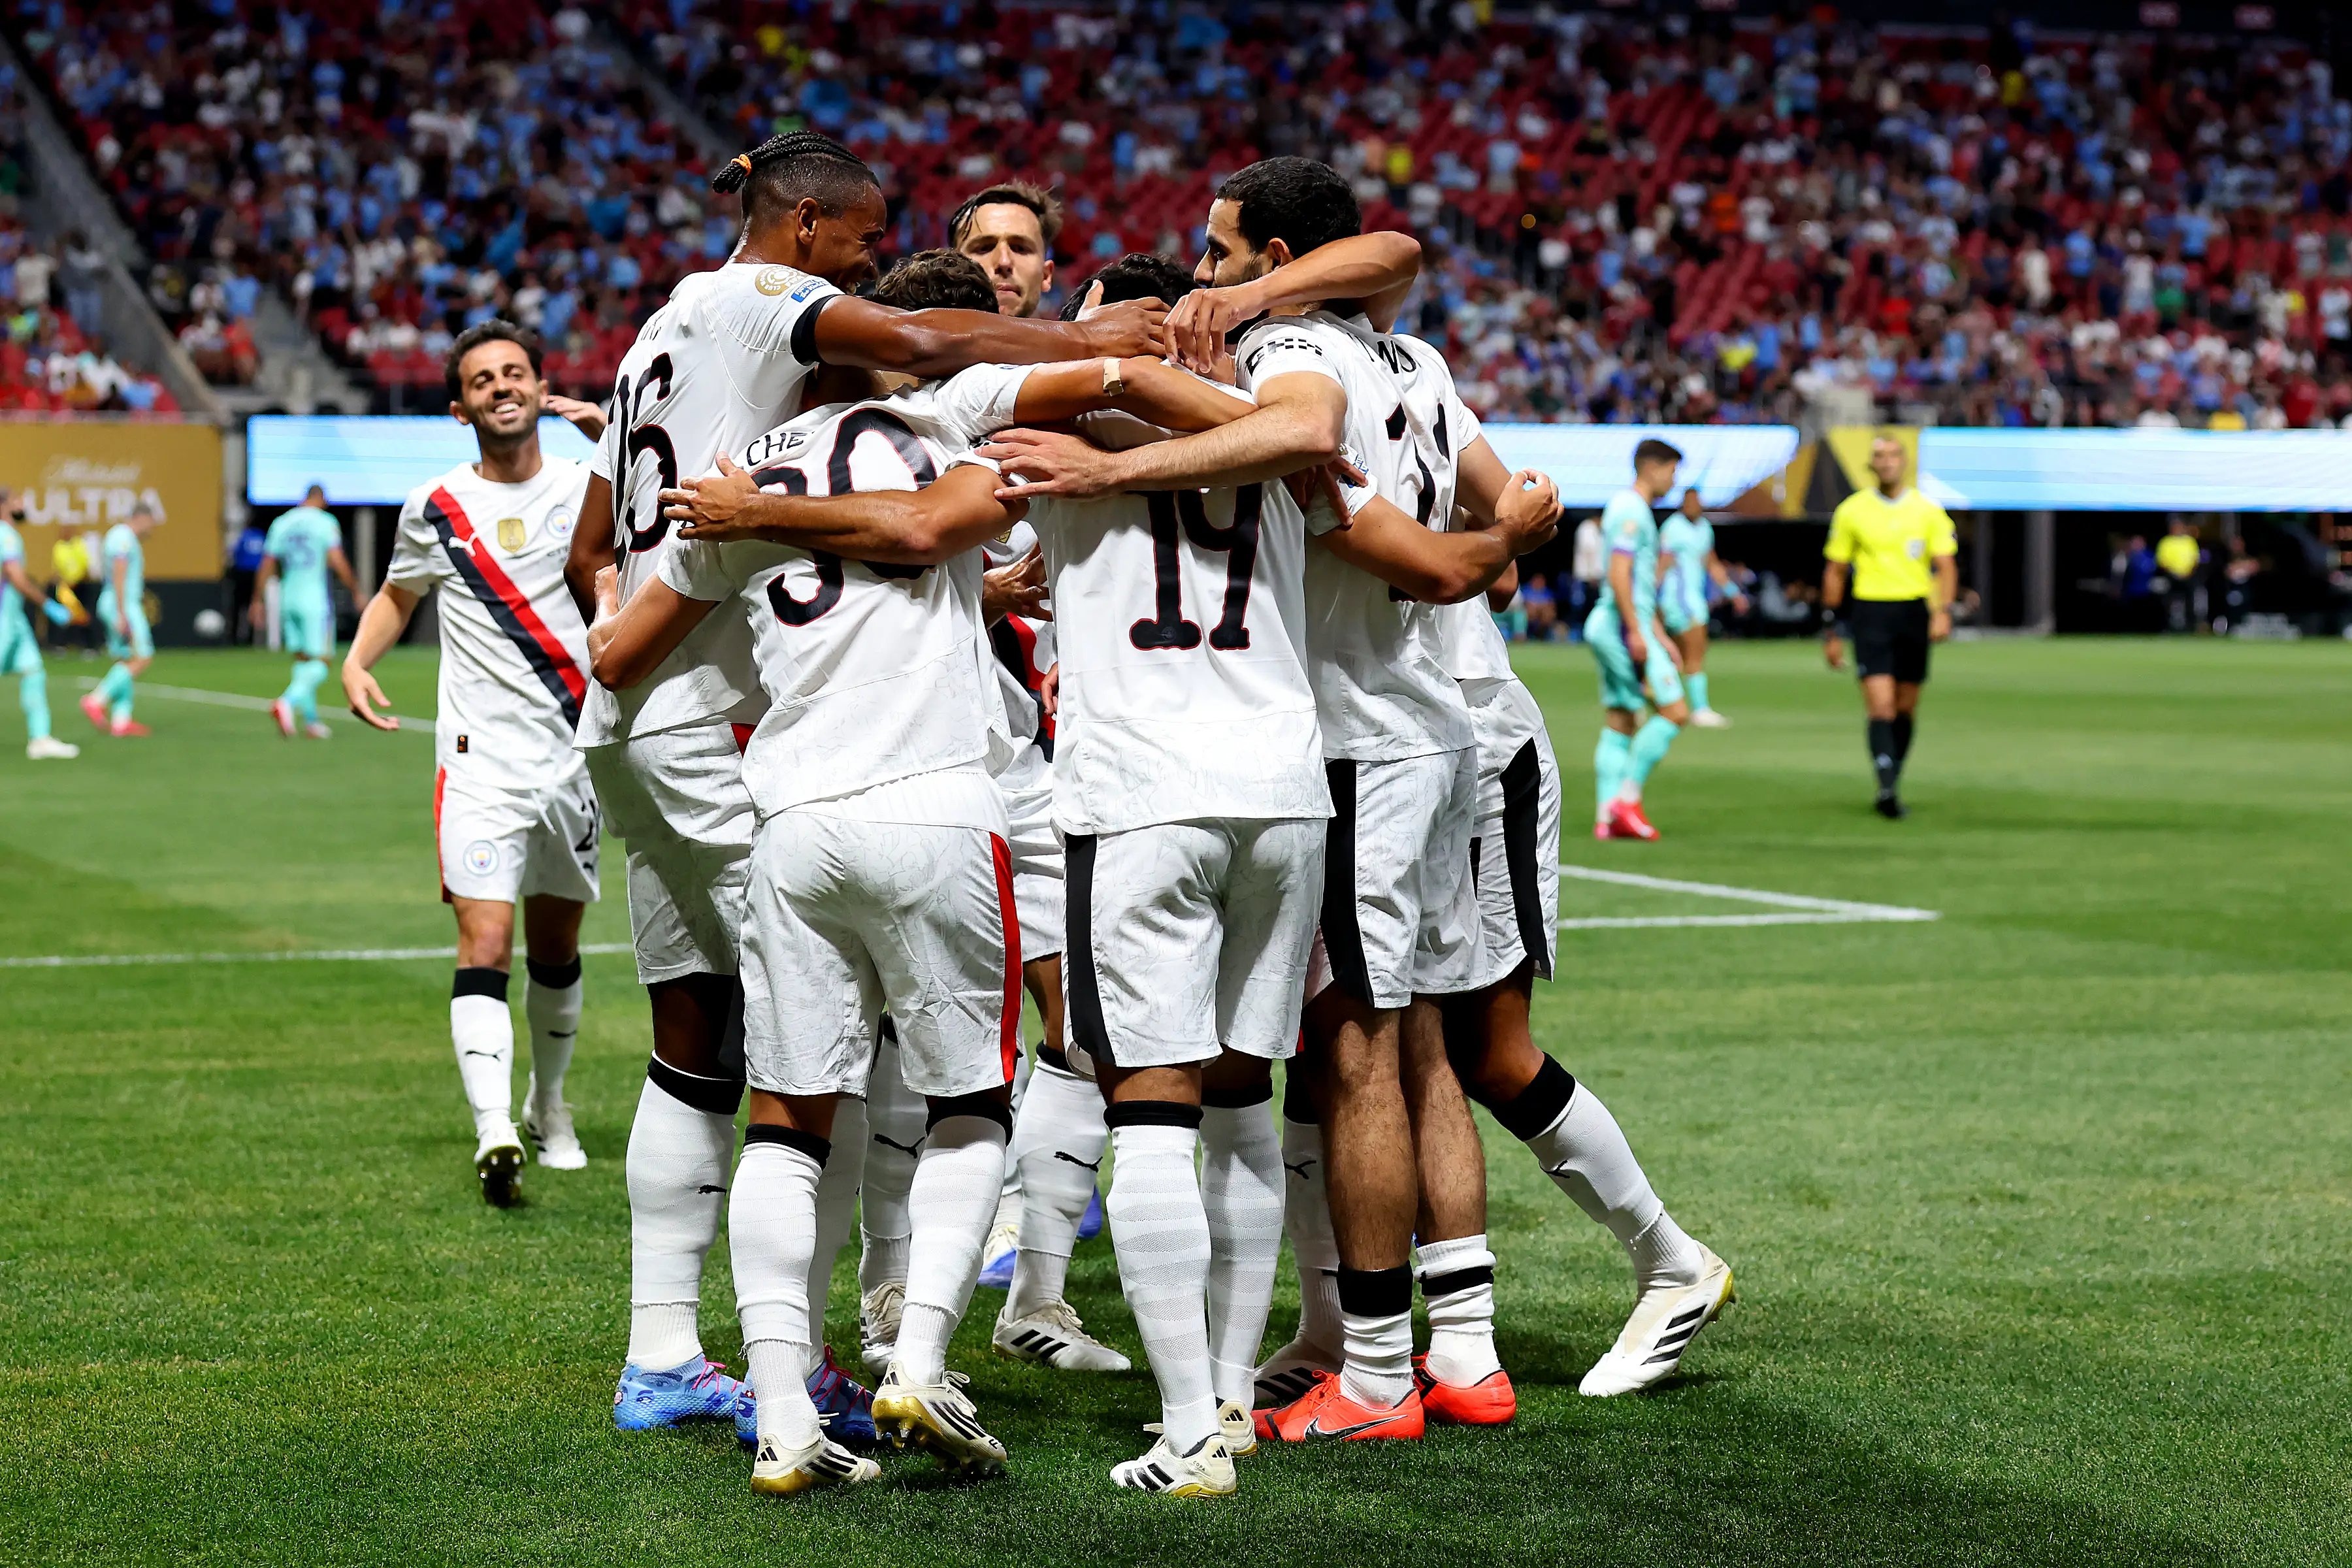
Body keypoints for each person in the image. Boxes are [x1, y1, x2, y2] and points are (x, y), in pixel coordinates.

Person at [561, 130, 1168, 1459]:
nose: (876, 266)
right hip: (743, 730)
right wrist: (1113, 347)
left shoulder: (657, 338)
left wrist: (636, 635)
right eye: (862, 240)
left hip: (643, 708)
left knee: (698, 1042)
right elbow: (934, 349)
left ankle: (667, 1347)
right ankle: (854, 1354)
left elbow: (591, 550)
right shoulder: (757, 301)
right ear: (805, 232)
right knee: (837, 1054)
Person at [980, 157, 1549, 1452]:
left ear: (1273, 258)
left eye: (1220, 252)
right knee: (1409, 1055)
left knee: (1301, 1070)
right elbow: (1438, 529)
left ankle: (1372, 1374)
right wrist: (1498, 547)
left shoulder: (1279, 364)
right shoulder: (1405, 364)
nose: (1205, 273)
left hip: (1311, 756)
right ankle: (1454, 1347)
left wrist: (1110, 445)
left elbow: (1312, 411)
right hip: (1415, 738)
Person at [338, 322, 598, 1211]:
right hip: (476, 757)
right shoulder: (435, 507)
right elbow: (397, 594)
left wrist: (613, 435)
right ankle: (495, 1125)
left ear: (540, 386)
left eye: (515, 372)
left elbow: (660, 526)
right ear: (460, 408)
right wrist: (356, 659)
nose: (501, 386)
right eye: (483, 379)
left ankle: (549, 1104)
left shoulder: (586, 489)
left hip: (576, 755)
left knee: (558, 945)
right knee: (485, 939)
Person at [1821, 434, 1957, 819]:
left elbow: (1945, 565)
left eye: (1892, 455)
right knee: (1880, 704)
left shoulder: (1927, 511)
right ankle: (1885, 787)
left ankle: (1893, 774)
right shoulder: (1853, 511)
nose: (1886, 462)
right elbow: (1835, 569)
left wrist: (1943, 610)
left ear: (1904, 461)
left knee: (1905, 706)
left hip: (1913, 610)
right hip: (1871, 611)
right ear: (1871, 464)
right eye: (1879, 456)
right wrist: (1831, 627)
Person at [1585, 442, 1690, 840]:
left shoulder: (1628, 509)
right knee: (1675, 711)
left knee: (1622, 719)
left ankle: (1605, 818)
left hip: (1619, 623)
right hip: (1620, 626)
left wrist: (1658, 632)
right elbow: (1619, 573)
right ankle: (1625, 801)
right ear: (1654, 468)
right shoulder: (1631, 509)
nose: (1674, 480)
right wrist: (1635, 630)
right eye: (1672, 471)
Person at [256, 484, 356, 740]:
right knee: (321, 661)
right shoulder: (325, 522)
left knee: (303, 661)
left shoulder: (282, 523)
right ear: (322, 499)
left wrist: (257, 599)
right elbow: (336, 558)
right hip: (315, 600)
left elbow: (268, 563)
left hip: (288, 598)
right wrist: (356, 590)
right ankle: (287, 703)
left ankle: (311, 721)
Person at [1657, 487, 1749, 728]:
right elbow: (1662, 564)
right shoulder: (1672, 528)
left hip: (1693, 599)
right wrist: (1650, 595)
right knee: (1694, 655)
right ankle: (1699, 709)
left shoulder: (1704, 528)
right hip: (1678, 601)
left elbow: (1712, 564)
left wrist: (1733, 593)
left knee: (1675, 656)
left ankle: (1665, 704)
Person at [0, 488, 78, 759]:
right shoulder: (6, 535)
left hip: (14, 619)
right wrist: (48, 605)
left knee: (33, 670)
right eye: (17, 501)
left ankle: (40, 739)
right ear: (4, 505)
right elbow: (15, 577)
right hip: (3, 619)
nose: (23, 505)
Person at [79, 504, 156, 738]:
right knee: (143, 657)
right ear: (141, 518)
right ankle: (96, 699)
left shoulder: (121, 536)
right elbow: (119, 572)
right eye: (151, 521)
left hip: (118, 603)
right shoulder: (123, 537)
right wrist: (122, 612)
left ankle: (121, 722)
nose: (152, 527)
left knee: (125, 659)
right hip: (122, 604)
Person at [949, 181, 1058, 319]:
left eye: (1020, 249)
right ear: (952, 271)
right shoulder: (917, 340)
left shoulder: (1079, 342)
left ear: (1046, 276)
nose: (1004, 262)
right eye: (984, 248)